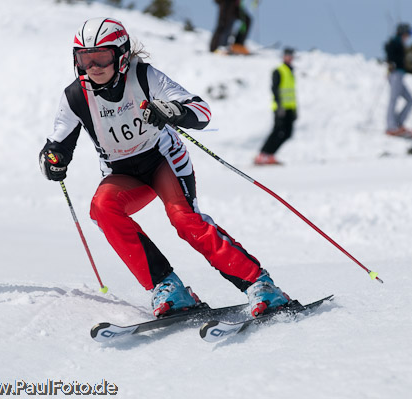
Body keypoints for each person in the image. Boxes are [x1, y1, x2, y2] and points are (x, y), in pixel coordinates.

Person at [39, 17, 290, 318]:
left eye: (101, 56)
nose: (93, 66)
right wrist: (53, 160)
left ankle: (259, 285)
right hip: (124, 175)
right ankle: (168, 287)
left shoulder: (143, 76)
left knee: (184, 220)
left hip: (163, 161)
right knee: (102, 209)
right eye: (84, 58)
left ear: (121, 55)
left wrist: (172, 110)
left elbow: (201, 111)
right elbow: (56, 146)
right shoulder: (75, 97)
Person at [254, 47, 297, 165]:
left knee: (288, 133)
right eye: (288, 55)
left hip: (290, 109)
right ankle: (263, 155)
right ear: (283, 56)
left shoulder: (290, 71)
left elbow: (291, 93)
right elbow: (275, 89)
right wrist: (279, 106)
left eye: (291, 55)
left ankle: (270, 155)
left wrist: (294, 110)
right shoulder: (279, 70)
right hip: (280, 108)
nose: (290, 57)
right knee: (276, 131)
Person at [384, 23, 412, 138]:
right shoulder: (394, 43)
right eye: (408, 34)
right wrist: (391, 64)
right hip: (395, 75)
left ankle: (398, 123)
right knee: (393, 100)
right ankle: (391, 126)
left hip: (400, 74)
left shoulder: (400, 44)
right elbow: (389, 53)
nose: (408, 37)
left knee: (411, 100)